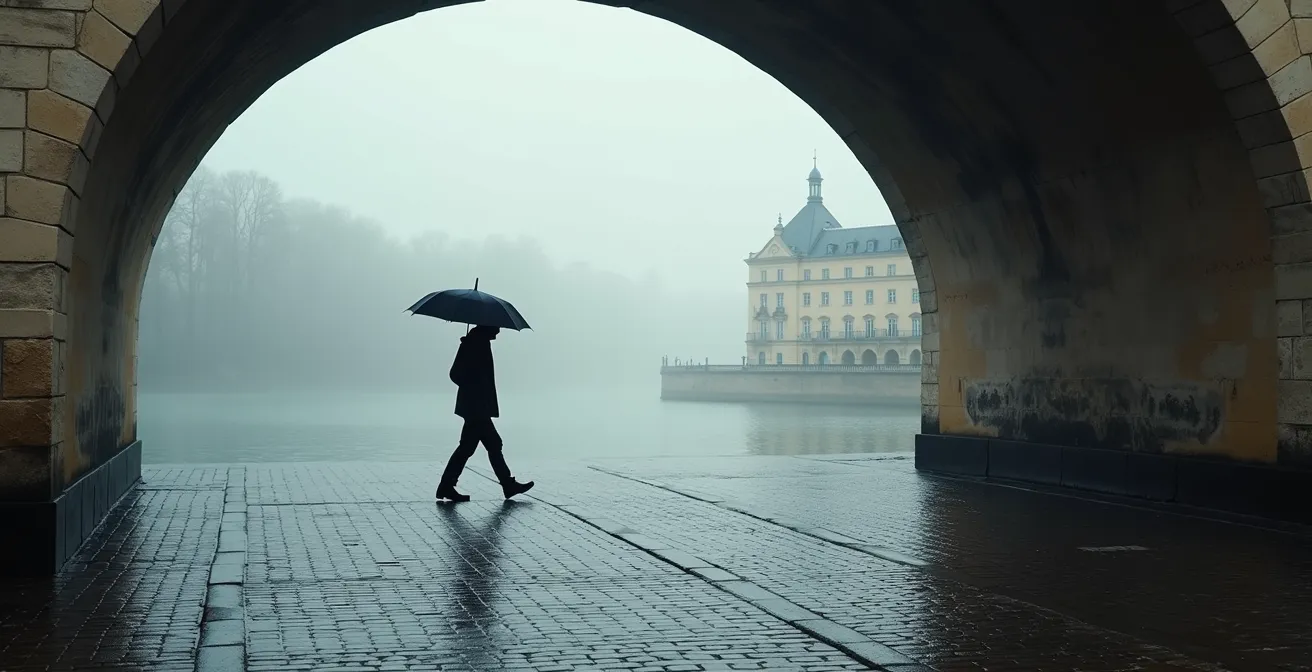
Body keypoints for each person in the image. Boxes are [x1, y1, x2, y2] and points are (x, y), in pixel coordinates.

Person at [436, 325, 534, 501]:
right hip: (476, 407)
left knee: (469, 447)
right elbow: (456, 374)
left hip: (476, 406)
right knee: (492, 444)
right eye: (496, 327)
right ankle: (507, 485)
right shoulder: (474, 343)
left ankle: (447, 486)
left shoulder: (477, 342)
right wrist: (473, 385)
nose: (498, 330)